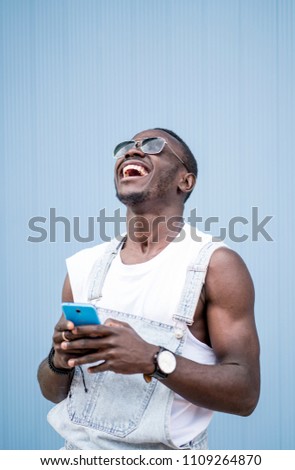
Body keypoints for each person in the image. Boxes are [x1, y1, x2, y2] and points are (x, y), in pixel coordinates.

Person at [37, 128, 260, 450]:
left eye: (153, 146)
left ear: (186, 181)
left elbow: (245, 394)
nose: (132, 151)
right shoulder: (83, 267)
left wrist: (153, 360)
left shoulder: (215, 265)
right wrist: (59, 359)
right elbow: (54, 392)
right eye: (126, 147)